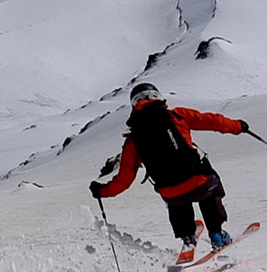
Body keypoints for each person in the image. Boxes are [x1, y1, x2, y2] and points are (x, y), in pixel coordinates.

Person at [90, 83, 249, 261]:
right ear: (157, 96)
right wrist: (238, 126)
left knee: (174, 195)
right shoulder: (177, 115)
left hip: (172, 194)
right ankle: (217, 235)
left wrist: (101, 191)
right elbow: (212, 120)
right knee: (210, 187)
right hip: (200, 183)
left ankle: (187, 237)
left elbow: (124, 179)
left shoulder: (133, 138)